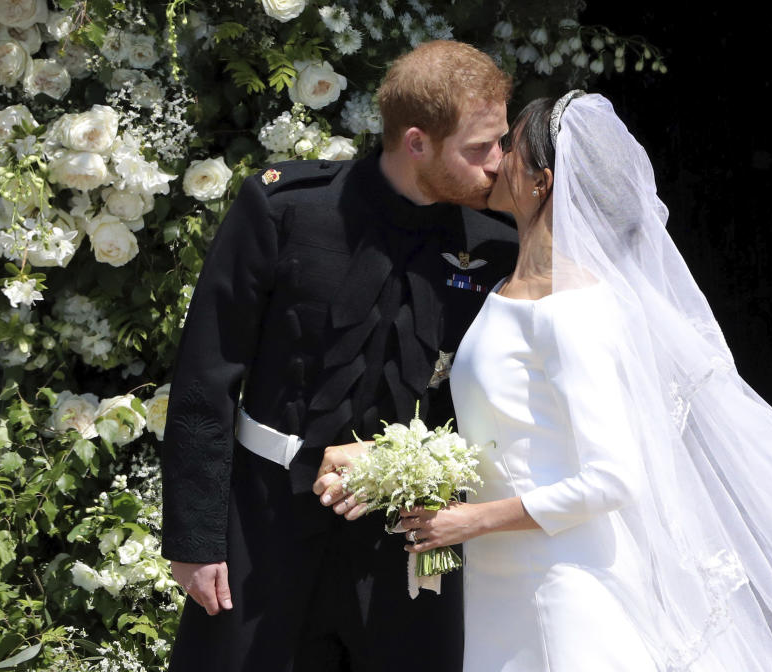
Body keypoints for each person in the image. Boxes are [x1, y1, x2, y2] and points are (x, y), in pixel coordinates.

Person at [393, 92, 772, 671]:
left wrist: (473, 519)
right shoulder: (511, 291)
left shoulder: (572, 306)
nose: (496, 157)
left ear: (542, 181)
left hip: (565, 588)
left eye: (510, 148)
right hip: (504, 584)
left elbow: (612, 478)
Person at [159, 40, 517, 672]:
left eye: (501, 141)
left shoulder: (495, 246)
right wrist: (194, 538)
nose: (498, 164)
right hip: (265, 525)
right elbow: (205, 378)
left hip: (409, 540)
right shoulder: (286, 209)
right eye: (478, 148)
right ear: (416, 142)